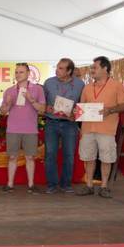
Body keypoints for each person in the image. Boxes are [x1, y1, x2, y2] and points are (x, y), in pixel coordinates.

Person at [75, 56, 124, 198]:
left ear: (105, 68)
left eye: (95, 67)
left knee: (107, 158)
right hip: (87, 129)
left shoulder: (116, 85)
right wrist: (77, 111)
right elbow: (82, 107)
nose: (92, 70)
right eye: (91, 68)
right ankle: (89, 185)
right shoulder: (87, 87)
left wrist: (109, 110)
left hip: (107, 129)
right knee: (88, 157)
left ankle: (104, 186)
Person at [0, 63, 46, 194]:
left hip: (30, 129)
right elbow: (3, 111)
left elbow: (42, 110)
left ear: (28, 74)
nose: (18, 74)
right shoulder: (9, 91)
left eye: (21, 72)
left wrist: (31, 99)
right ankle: (10, 184)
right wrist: (7, 104)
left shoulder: (37, 89)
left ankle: (31, 185)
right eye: (16, 72)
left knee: (30, 157)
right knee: (12, 157)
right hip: (13, 129)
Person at [43, 58, 85, 194]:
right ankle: (51, 185)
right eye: (57, 67)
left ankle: (66, 184)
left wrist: (76, 114)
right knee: (50, 154)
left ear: (69, 71)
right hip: (51, 122)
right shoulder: (48, 83)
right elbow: (41, 102)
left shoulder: (80, 84)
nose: (57, 70)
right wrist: (47, 108)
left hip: (70, 125)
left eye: (61, 68)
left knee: (69, 155)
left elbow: (83, 105)